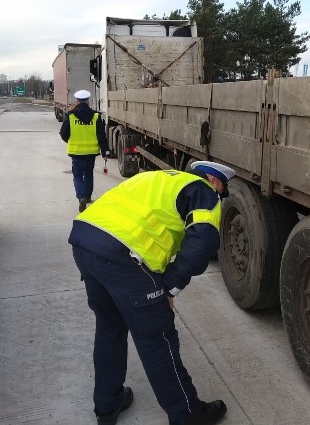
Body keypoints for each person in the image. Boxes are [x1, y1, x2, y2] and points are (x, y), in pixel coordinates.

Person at [68, 161, 236, 425]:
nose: (219, 197)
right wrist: (169, 286)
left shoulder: (157, 179)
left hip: (85, 241)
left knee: (110, 328)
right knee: (157, 339)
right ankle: (187, 415)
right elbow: (203, 241)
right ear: (214, 181)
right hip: (122, 257)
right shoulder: (203, 190)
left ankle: (107, 405)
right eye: (222, 191)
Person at [60, 90, 109, 211]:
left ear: (77, 101)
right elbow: (101, 136)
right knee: (88, 174)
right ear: (88, 101)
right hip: (91, 152)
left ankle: (81, 197)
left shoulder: (70, 116)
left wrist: (71, 141)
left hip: (76, 152)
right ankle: (87, 197)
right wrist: (105, 152)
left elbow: (63, 133)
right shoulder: (96, 116)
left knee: (77, 175)